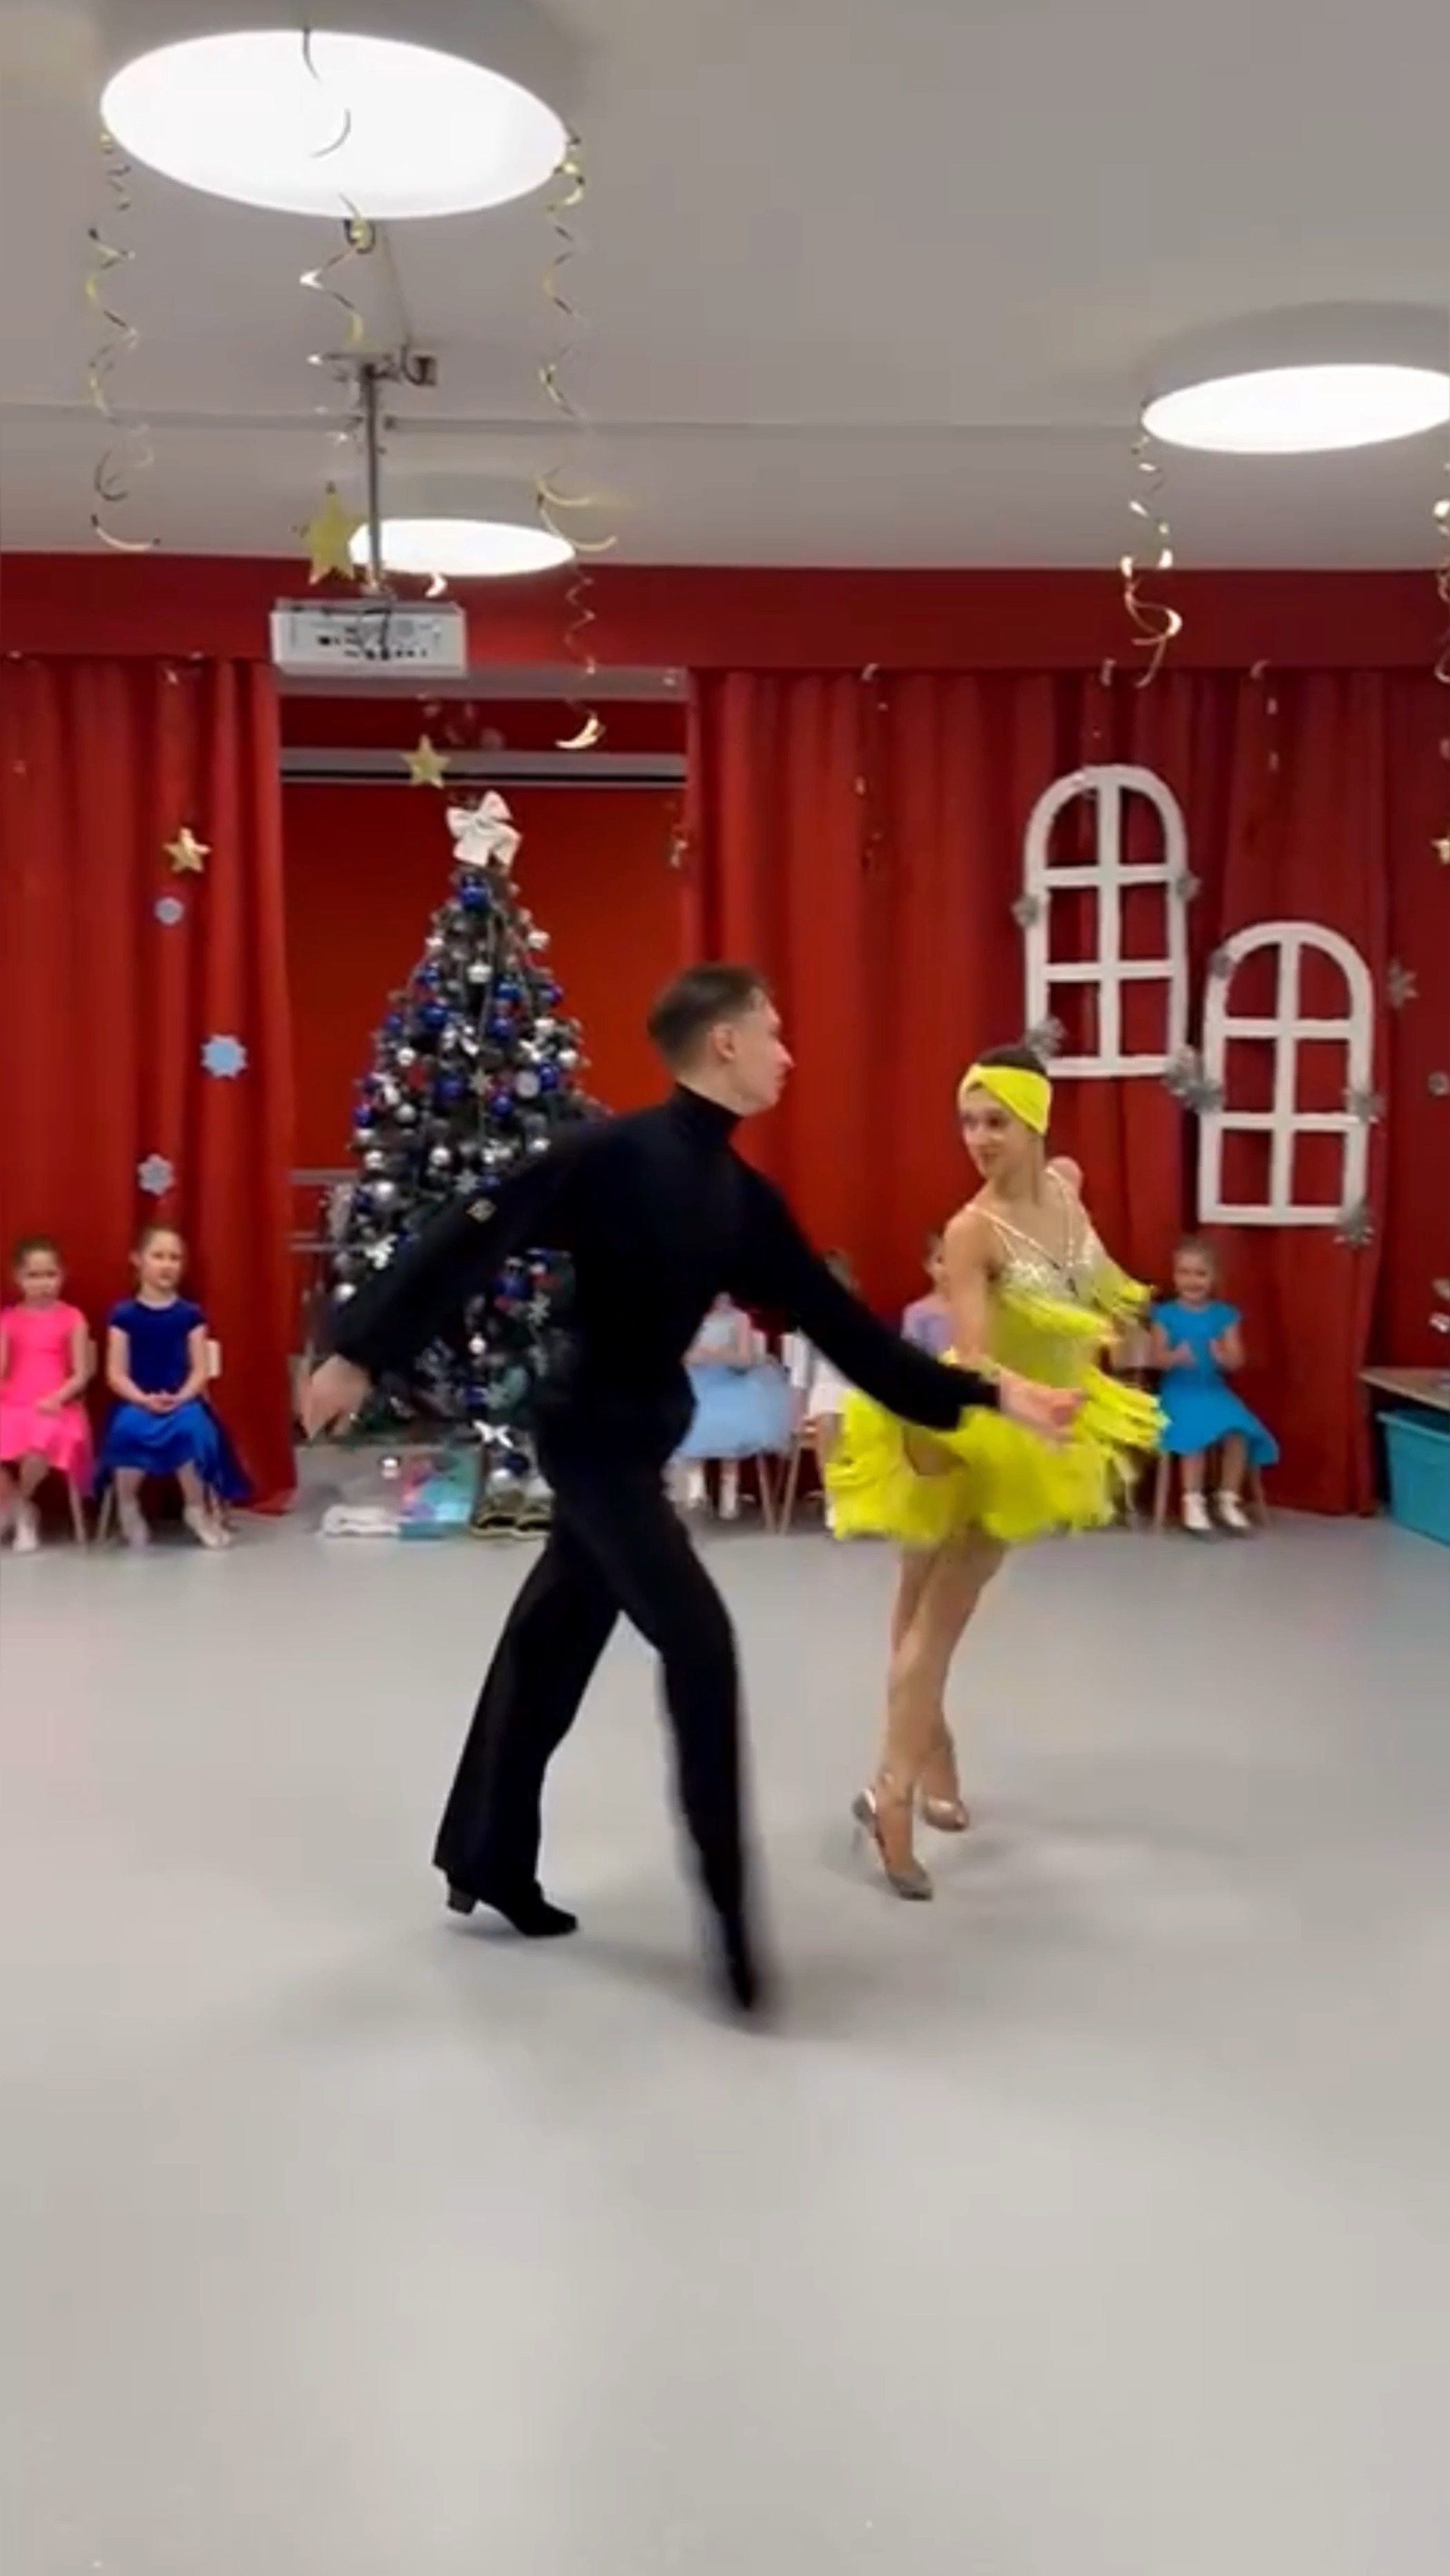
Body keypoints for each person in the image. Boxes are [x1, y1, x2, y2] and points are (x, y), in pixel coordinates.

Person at [302, 968, 1080, 2012]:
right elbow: (469, 1229)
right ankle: (732, 1937)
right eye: (774, 1033)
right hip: (588, 1440)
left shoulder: (742, 1201)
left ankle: (485, 1855)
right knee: (701, 1645)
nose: (787, 1055)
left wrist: (992, 1393)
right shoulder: (607, 1156)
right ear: (724, 1044)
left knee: (548, 1648)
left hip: (635, 1441)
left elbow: (849, 1335)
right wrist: (358, 1349)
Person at [824, 1045, 1161, 1900]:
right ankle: (894, 1792)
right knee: (932, 1619)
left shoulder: (1068, 1187)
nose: (977, 1138)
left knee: (922, 1618)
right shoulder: (972, 1230)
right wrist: (1028, 1402)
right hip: (971, 1425)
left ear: (1036, 1119)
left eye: (995, 1122)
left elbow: (1089, 1300)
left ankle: (926, 1765)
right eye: (968, 1123)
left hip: (1042, 1417)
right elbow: (973, 1355)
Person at [96, 1225, 247, 1548]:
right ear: (138, 1260)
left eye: (174, 1258)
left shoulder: (190, 1314)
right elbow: (116, 1373)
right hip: (136, 1400)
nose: (167, 1265)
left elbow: (200, 1370)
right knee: (127, 1428)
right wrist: (142, 1399)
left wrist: (180, 1397)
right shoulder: (123, 1315)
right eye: (159, 1256)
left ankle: (195, 1507)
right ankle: (128, 1505)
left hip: (182, 1400)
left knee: (192, 1428)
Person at [1150, 1237, 1277, 1534]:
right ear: (1174, 1275)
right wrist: (1175, 1357)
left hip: (1213, 1389)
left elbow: (1237, 1360)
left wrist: (1223, 1356)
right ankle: (1192, 1501)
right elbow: (1157, 1359)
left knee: (1239, 1431)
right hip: (1179, 1391)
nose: (1192, 1281)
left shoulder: (1225, 1315)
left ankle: (1228, 1498)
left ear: (1214, 1277)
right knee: (1194, 1433)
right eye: (1184, 1273)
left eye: (1201, 1274)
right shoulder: (1165, 1315)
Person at [0, 1236, 94, 1553]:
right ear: (18, 1278)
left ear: (62, 1276)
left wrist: (58, 1397)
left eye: (50, 1275)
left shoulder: (72, 1317)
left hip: (59, 1403)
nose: (43, 1284)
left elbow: (81, 1373)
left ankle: (20, 1509)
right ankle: (18, 1507)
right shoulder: (8, 1320)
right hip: (13, 1400)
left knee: (42, 1437)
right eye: (34, 1276)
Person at [671, 1293, 794, 1517]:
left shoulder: (739, 1319)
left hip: (729, 1381)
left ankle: (730, 1489)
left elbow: (746, 1360)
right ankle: (696, 1485)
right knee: (691, 1414)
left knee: (730, 1418)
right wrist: (691, 1357)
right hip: (696, 1382)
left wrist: (721, 1355)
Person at [901, 1229, 952, 1357]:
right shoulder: (917, 1313)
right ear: (928, 1266)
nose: (949, 1268)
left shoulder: (983, 1306)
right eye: (941, 1260)